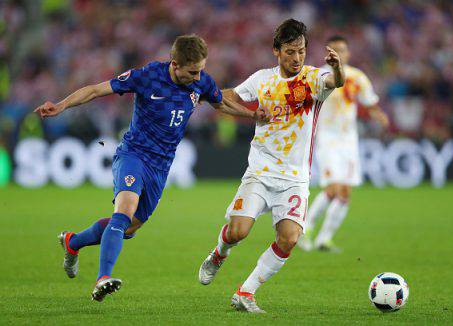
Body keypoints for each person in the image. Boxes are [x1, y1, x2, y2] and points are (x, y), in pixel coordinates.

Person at [35, 34, 266, 302]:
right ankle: (103, 278)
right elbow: (98, 89)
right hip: (134, 154)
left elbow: (220, 102)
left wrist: (251, 115)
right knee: (123, 212)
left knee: (129, 227)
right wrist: (61, 105)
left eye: (201, 70)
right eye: (192, 71)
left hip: (162, 166)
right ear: (175, 64)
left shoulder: (201, 80)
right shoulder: (147, 76)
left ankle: (72, 242)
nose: (197, 76)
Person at [197, 19, 345, 313]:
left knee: (290, 238)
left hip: (294, 179)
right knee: (238, 232)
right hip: (261, 173)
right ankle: (218, 254)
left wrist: (337, 66)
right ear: (277, 51)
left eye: (302, 51)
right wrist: (203, 90)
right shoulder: (262, 79)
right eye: (290, 51)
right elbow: (232, 97)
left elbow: (336, 82)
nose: (297, 58)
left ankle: (246, 292)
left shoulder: (314, 80)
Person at [299, 35, 389, 253]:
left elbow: (370, 102)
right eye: (335, 49)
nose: (339, 53)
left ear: (348, 53)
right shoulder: (318, 75)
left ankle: (324, 239)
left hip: (349, 140)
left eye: (343, 49)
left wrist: (379, 115)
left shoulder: (358, 77)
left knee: (345, 192)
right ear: (328, 53)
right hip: (326, 138)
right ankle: (306, 230)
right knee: (332, 189)